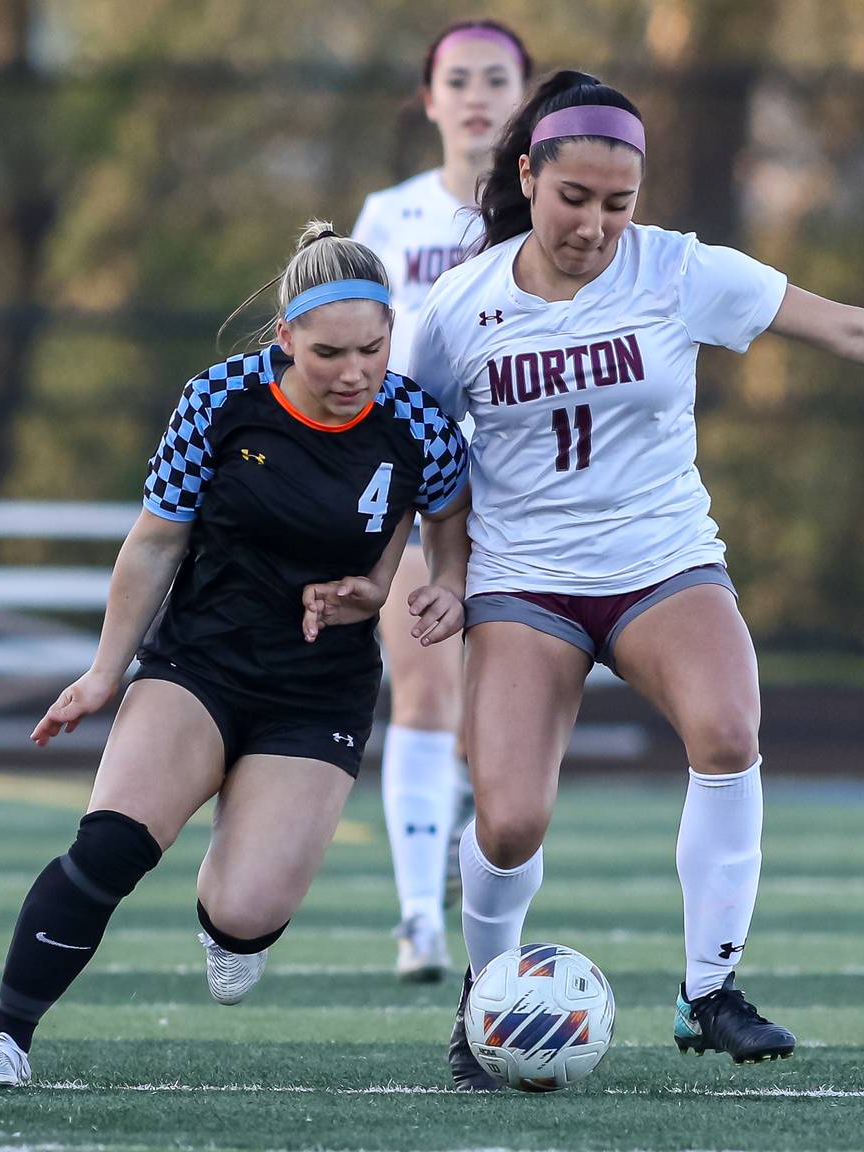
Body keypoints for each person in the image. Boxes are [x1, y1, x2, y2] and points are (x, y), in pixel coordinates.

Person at [405, 71, 864, 1090]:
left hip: (662, 562)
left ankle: (709, 989)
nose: (596, 224)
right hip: (526, 582)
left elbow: (850, 326)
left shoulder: (680, 271)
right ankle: (483, 999)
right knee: (508, 821)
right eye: (574, 199)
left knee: (728, 733)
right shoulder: (458, 308)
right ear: (526, 176)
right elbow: (426, 455)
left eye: (618, 202)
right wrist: (447, 572)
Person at [0, 221, 470, 1088]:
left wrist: (438, 584)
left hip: (320, 686)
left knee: (245, 914)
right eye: (329, 354)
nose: (354, 375)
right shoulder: (221, 399)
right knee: (112, 844)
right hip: (201, 661)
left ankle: (230, 908)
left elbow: (447, 515)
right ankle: (4, 1039)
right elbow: (154, 545)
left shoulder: (416, 419)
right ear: (284, 339)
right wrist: (104, 674)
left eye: (372, 350)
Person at [350, 18, 531, 983]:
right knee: (421, 680)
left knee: (504, 707)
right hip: (419, 482)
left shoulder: (553, 216)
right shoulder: (391, 215)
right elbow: (350, 342)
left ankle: (482, 888)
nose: (475, 96)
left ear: (526, 96)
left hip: (529, 490)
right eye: (456, 79)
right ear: (429, 100)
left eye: (495, 78)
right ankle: (419, 915)